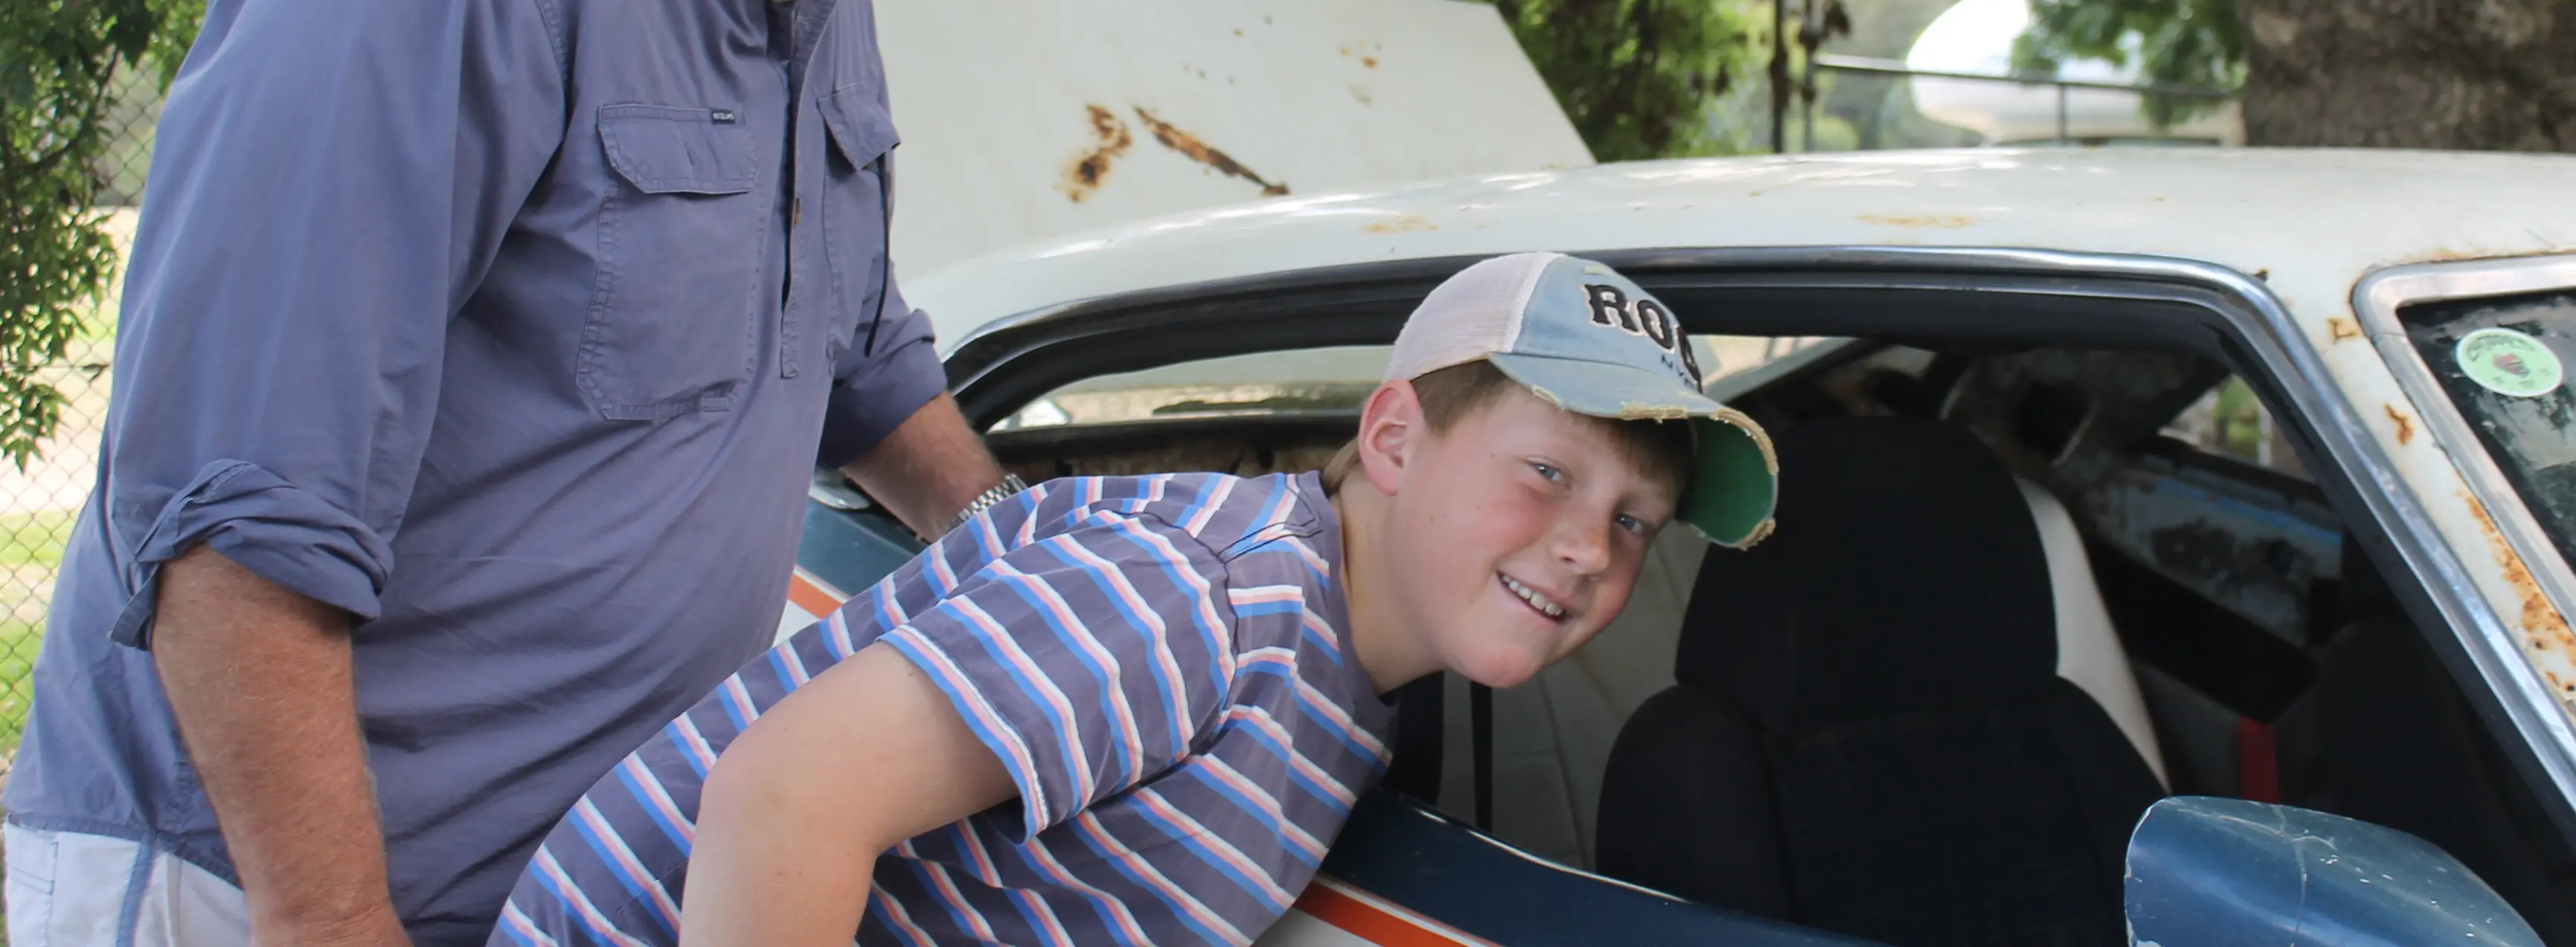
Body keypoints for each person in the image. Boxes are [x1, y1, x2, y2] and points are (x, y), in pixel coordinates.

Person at [5, 0, 1093, 947]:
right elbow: (233, 528)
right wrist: (336, 925)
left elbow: (855, 351)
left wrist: (1074, 564)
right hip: (250, 893)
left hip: (548, 897)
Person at [492, 252, 1781, 947]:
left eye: (1633, 523)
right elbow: (784, 795)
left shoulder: (1345, 687)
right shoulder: (1203, 598)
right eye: (1546, 474)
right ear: (1391, 441)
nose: (1583, 550)